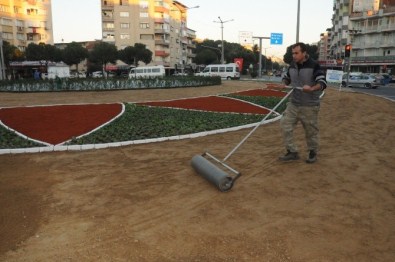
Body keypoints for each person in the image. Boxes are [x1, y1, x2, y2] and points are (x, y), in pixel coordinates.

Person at [280, 42, 327, 164]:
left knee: (311, 131)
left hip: (310, 105)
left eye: (296, 53)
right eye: (293, 53)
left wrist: (311, 88)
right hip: (294, 104)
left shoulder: (314, 65)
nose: (294, 56)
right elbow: (287, 77)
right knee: (285, 125)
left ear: (304, 53)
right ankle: (292, 152)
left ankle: (312, 152)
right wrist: (284, 83)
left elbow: (322, 83)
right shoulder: (292, 65)